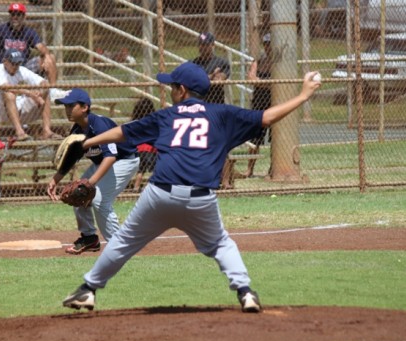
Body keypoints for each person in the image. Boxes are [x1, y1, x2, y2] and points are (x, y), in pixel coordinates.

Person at [61, 62, 321, 313]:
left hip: (159, 194)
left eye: (173, 86)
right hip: (200, 198)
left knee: (124, 242)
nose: (171, 91)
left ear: (182, 90)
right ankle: (245, 292)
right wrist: (303, 95)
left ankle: (87, 290)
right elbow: (267, 117)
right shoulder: (222, 115)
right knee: (221, 244)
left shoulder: (166, 116)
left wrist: (86, 143)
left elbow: (123, 132)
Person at [47, 88, 139, 255]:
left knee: (99, 201)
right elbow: (71, 158)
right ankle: (89, 238)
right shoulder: (76, 131)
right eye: (65, 107)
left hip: (124, 160)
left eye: (71, 106)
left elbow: (111, 156)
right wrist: (55, 180)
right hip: (104, 162)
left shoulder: (99, 125)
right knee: (77, 193)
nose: (67, 110)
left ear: (84, 107)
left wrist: (90, 183)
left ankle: (119, 247)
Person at [0, 48, 61, 140]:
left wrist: (39, 91)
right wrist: (30, 93)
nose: (16, 66)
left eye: (18, 63)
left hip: (18, 109)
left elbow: (42, 82)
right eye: (13, 63)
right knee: (9, 94)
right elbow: (7, 87)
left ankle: (47, 131)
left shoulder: (21, 70)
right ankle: (20, 132)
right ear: (5, 62)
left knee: (46, 91)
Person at [191, 32, 234, 189]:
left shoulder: (221, 62)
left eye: (207, 45)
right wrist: (209, 76)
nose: (203, 48)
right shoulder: (194, 64)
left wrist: (208, 78)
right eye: (201, 45)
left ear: (212, 45)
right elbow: (194, 82)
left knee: (222, 145)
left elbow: (220, 79)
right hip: (198, 110)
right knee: (197, 146)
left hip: (216, 110)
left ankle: (226, 181)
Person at [244, 33, 273, 178]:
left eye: (271, 44)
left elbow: (278, 85)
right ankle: (250, 169)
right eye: (266, 43)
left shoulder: (279, 63)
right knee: (255, 137)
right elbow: (251, 78)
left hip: (274, 103)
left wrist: (259, 82)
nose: (268, 47)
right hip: (259, 103)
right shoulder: (259, 61)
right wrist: (267, 83)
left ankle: (273, 169)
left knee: (277, 138)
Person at [130, 98, 156, 192]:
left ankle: (136, 188)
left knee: (140, 170)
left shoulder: (136, 122)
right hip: (151, 149)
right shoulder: (153, 121)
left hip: (139, 149)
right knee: (154, 170)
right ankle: (148, 187)